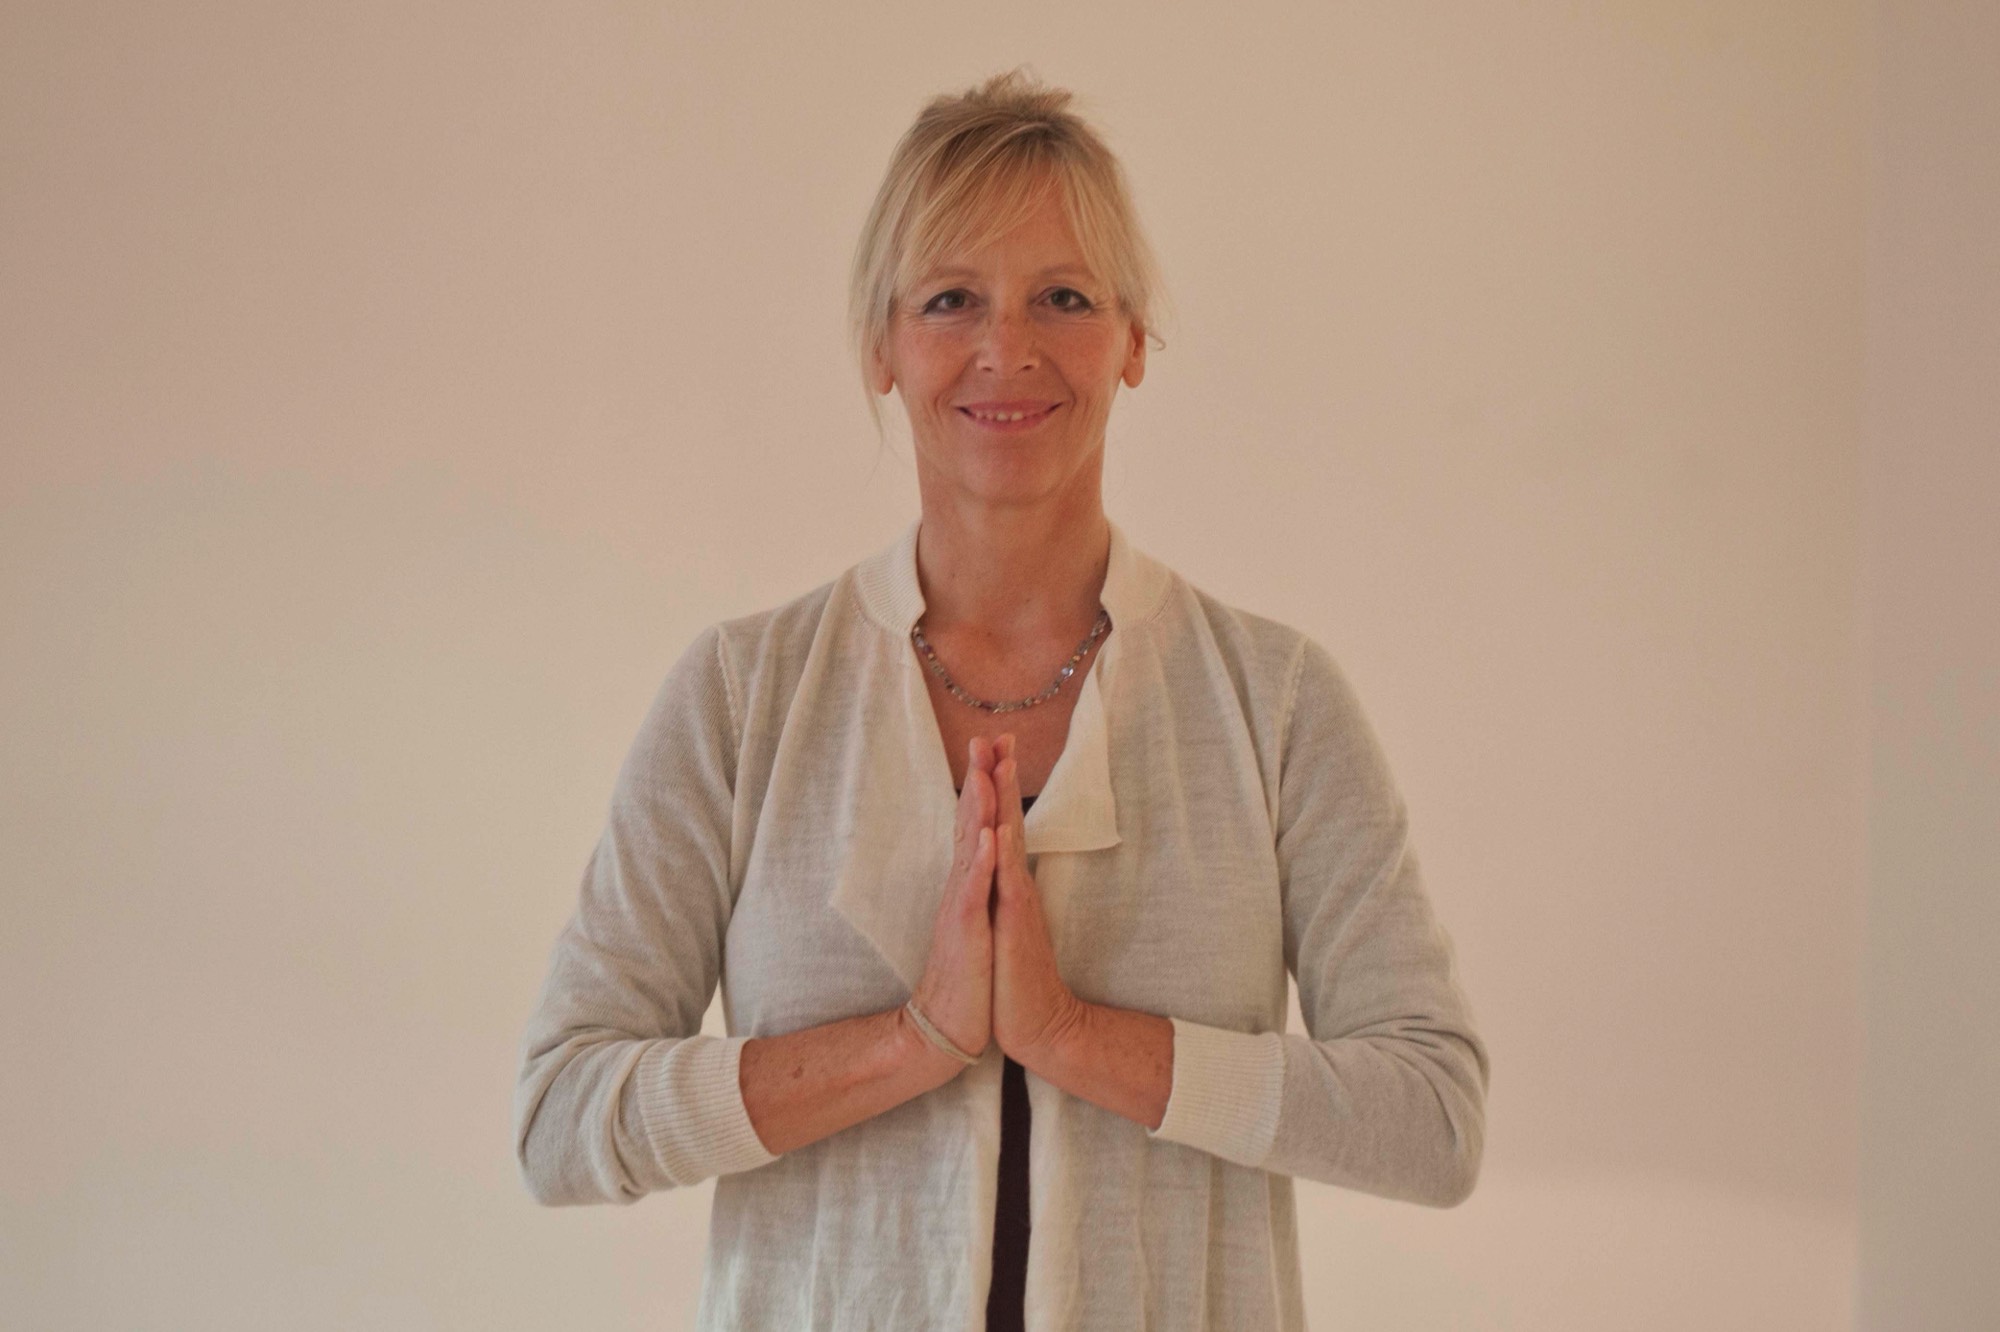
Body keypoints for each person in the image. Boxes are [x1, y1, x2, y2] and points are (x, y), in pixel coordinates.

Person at [513, 68, 1490, 1331]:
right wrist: (910, 1042)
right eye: (950, 299)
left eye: (1063, 297)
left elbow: (1432, 1118)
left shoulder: (1275, 702)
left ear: (1132, 341)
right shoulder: (741, 698)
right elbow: (562, 1118)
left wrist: (1073, 1036)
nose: (1006, 348)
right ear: (880, 345)